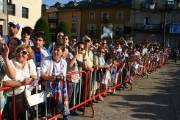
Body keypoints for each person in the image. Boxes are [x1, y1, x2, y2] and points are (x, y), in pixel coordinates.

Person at [2, 44, 37, 120]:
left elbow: (34, 77)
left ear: (28, 55)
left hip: (27, 97)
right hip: (13, 99)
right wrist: (21, 83)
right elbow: (5, 82)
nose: (20, 54)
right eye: (18, 51)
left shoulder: (30, 63)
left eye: (24, 52)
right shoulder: (10, 63)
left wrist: (33, 80)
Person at [41, 43, 69, 120]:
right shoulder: (46, 59)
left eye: (58, 50)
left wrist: (53, 76)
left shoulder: (63, 62)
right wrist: (49, 77)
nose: (55, 52)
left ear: (62, 52)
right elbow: (42, 73)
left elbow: (62, 75)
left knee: (58, 104)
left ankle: (59, 116)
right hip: (47, 85)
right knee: (48, 106)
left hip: (59, 87)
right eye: (54, 49)